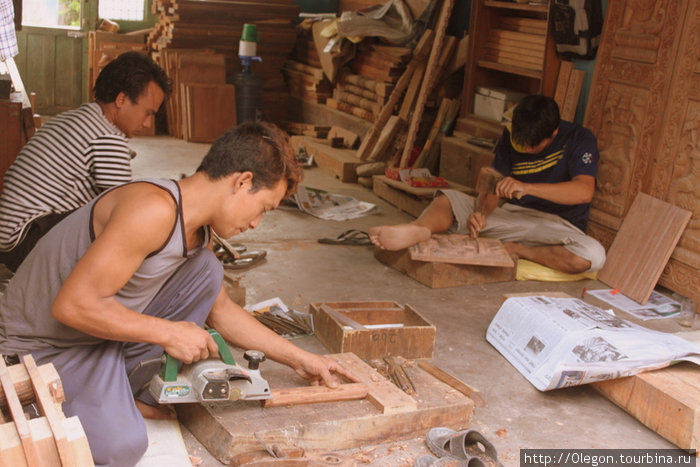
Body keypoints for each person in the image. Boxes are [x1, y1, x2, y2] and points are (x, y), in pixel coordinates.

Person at [0, 122, 352, 466]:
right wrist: (168, 332)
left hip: (96, 338)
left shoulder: (199, 233)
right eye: (263, 208)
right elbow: (72, 306)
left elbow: (222, 311)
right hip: (44, 346)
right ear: (242, 181)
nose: (257, 223)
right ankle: (103, 395)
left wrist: (301, 358)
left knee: (207, 271)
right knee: (122, 446)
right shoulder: (152, 209)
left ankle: (118, 387)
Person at [370, 94, 606, 274]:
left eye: (532, 146)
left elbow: (584, 192)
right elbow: (493, 181)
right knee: (450, 200)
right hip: (512, 216)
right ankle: (420, 229)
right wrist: (482, 212)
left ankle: (518, 250)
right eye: (520, 142)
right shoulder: (511, 135)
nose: (524, 149)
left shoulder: (579, 139)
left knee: (592, 256)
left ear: (554, 133)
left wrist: (528, 187)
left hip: (555, 228)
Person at [0, 51, 171, 272]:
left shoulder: (79, 117)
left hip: (12, 237)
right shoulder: (106, 137)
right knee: (131, 227)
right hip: (29, 241)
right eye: (147, 113)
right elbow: (128, 212)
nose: (148, 123)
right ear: (122, 99)